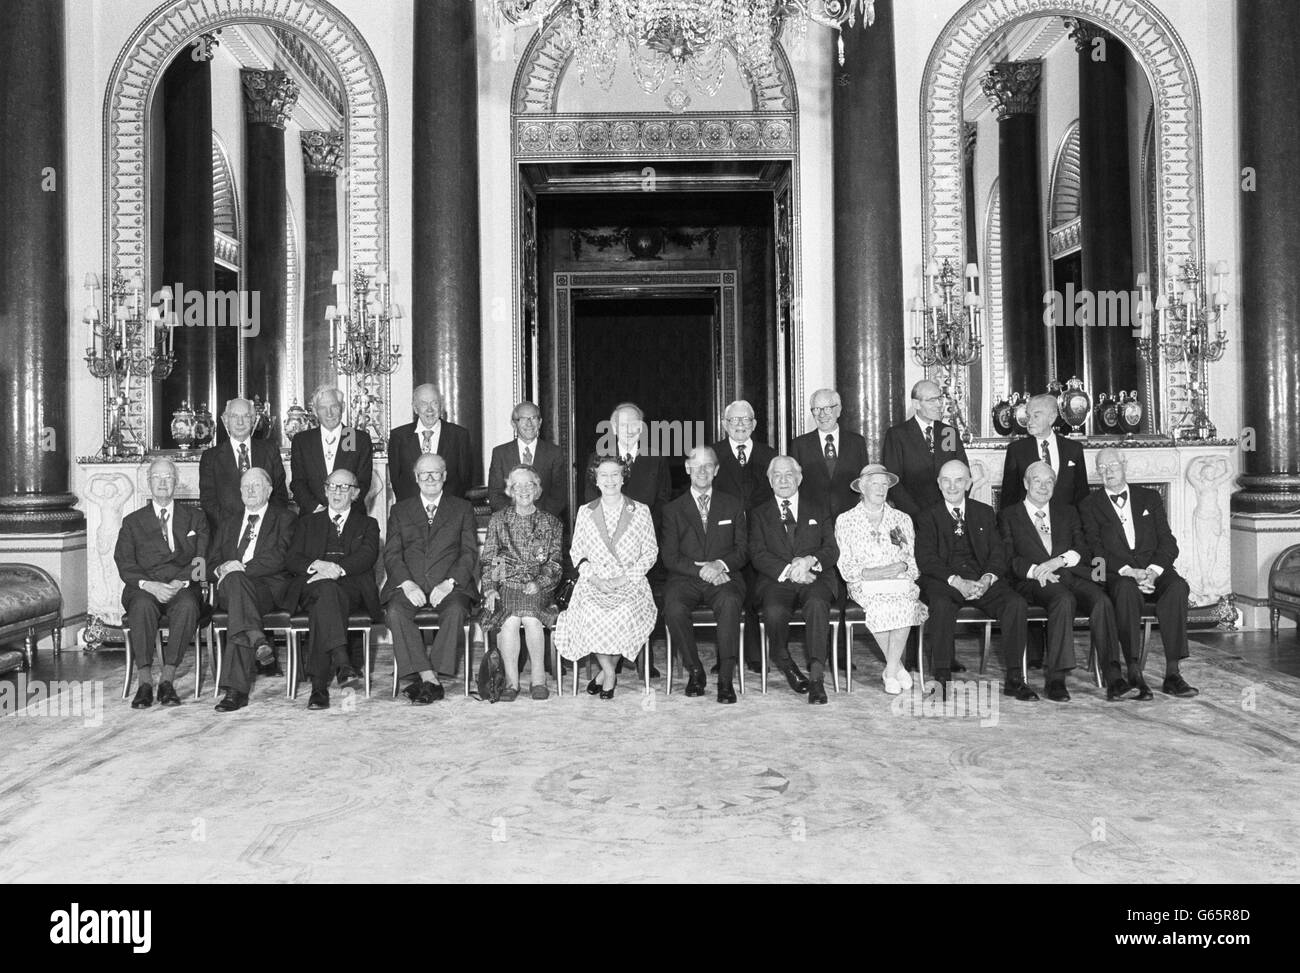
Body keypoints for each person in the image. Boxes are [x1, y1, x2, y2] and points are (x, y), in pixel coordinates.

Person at [998, 461, 1127, 702]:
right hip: (1033, 581)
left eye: (1049, 482)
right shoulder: (1008, 515)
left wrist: (1057, 562)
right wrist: (1038, 570)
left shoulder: (1067, 512)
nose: (1043, 486)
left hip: (1069, 573)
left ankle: (1113, 676)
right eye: (1037, 480)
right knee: (1062, 599)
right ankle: (1056, 679)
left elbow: (1082, 548)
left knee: (1101, 600)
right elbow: (1007, 558)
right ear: (1026, 484)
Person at [1079, 448, 1199, 699]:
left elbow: (1168, 542)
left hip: (1153, 568)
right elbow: (1095, 551)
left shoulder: (1150, 498)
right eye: (1101, 468)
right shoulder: (1089, 505)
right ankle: (1134, 671)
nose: (1107, 471)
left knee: (1178, 587)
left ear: (1125, 465)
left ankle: (1173, 672)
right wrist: (1128, 571)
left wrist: (1153, 573)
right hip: (1117, 572)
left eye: (1112, 465)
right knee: (1124, 589)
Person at [915, 460, 1034, 700]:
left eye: (959, 480)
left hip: (981, 578)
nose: (952, 486)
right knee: (940, 605)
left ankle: (1014, 677)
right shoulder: (927, 515)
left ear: (969, 483)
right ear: (938, 484)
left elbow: (998, 552)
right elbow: (926, 558)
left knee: (1015, 604)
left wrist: (988, 578)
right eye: (946, 480)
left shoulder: (984, 512)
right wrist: (956, 581)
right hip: (945, 580)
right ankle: (941, 677)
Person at [555, 456, 658, 699]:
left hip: (630, 581)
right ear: (596, 480)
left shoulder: (640, 511)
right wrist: (595, 579)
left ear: (623, 478)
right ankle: (610, 672)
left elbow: (650, 552)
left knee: (624, 612)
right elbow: (577, 552)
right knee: (591, 611)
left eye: (615, 474)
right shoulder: (586, 511)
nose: (610, 480)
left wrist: (624, 579)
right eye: (604, 475)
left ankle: (603, 675)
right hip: (595, 580)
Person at [382, 453, 480, 705]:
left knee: (457, 610)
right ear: (416, 478)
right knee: (394, 612)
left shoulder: (462, 508)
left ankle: (428, 676)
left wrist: (448, 583)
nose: (429, 478)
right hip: (408, 583)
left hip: (450, 584)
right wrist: (407, 583)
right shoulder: (400, 510)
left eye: (435, 473)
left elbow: (469, 553)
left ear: (444, 476)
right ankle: (430, 678)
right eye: (424, 473)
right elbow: (392, 554)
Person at [282, 469, 382, 710]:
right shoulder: (307, 522)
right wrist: (316, 565)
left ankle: (319, 687)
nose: (337, 492)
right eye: (332, 487)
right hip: (311, 585)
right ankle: (342, 662)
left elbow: (367, 557)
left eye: (344, 487)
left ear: (355, 494)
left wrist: (336, 569)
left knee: (324, 603)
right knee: (325, 593)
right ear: (325, 490)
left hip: (350, 587)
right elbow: (292, 558)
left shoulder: (367, 524)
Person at [113, 457, 208, 708]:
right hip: (144, 587)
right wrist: (150, 585)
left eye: (168, 478)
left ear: (176, 482)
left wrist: (180, 583)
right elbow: (124, 563)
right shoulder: (132, 522)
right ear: (149, 483)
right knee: (142, 607)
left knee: (188, 606)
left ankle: (167, 680)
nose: (163, 482)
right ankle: (144, 682)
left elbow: (202, 559)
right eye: (157, 477)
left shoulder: (195, 518)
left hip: (182, 586)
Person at [748, 456, 839, 704]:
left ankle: (817, 679)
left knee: (817, 605)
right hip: (776, 579)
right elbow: (757, 554)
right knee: (774, 611)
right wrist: (790, 569)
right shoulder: (759, 514)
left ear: (799, 478)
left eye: (789, 474)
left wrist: (809, 561)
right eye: (777, 475)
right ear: (770, 481)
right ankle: (786, 663)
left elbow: (832, 549)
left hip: (815, 577)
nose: (783, 480)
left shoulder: (819, 508)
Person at [660, 446, 748, 704]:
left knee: (731, 603)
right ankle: (695, 671)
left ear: (716, 470)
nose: (701, 471)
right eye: (696, 465)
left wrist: (719, 565)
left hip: (724, 577)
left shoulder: (733, 504)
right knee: (673, 608)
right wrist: (703, 570)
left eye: (707, 465)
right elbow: (670, 557)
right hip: (685, 577)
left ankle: (725, 679)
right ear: (687, 468)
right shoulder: (672, 509)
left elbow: (743, 550)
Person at [835, 463, 928, 695]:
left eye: (884, 484)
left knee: (905, 603)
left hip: (899, 581)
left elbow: (912, 560)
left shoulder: (902, 519)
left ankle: (891, 669)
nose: (880, 488)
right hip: (864, 583)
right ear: (862, 488)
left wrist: (903, 567)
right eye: (874, 483)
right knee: (881, 605)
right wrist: (874, 574)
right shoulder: (845, 520)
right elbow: (845, 565)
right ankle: (896, 669)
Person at [209, 468, 296, 712]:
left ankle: (235, 691)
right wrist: (222, 568)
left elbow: (281, 558)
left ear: (269, 490)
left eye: (256, 485)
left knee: (240, 604)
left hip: (267, 589)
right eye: (245, 486)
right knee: (236, 586)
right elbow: (210, 562)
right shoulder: (228, 522)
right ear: (239, 491)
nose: (249, 490)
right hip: (229, 587)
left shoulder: (285, 518)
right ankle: (258, 640)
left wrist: (240, 569)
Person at [480, 465, 564, 701]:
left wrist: (539, 582)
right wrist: (490, 589)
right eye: (518, 485)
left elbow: (556, 563)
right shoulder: (498, 520)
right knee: (509, 623)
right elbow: (490, 559)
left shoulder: (551, 523)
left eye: (530, 484)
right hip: (507, 584)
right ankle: (511, 683)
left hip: (538, 587)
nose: (524, 490)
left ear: (537, 489)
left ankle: (538, 680)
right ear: (510, 490)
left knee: (531, 620)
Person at [709, 399, 775, 674]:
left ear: (754, 424)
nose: (740, 425)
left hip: (761, 536)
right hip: (726, 537)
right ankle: (726, 655)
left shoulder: (769, 454)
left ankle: (755, 654)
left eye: (745, 420)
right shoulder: (712, 454)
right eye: (734, 421)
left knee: (754, 596)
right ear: (725, 425)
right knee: (727, 594)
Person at [879, 380, 968, 521]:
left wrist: (953, 507)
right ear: (916, 404)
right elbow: (893, 481)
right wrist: (917, 515)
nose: (939, 405)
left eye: (940, 398)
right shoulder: (898, 435)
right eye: (932, 400)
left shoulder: (948, 433)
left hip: (947, 515)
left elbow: (964, 473)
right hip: (912, 516)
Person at [199, 396, 289, 534]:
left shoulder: (270, 451)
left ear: (253, 420)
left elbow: (280, 495)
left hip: (266, 533)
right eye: (234, 416)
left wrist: (266, 525)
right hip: (225, 534)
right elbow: (208, 502)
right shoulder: (210, 457)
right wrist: (232, 529)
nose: (240, 422)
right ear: (226, 420)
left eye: (246, 416)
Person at [289, 384, 374, 515]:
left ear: (343, 407)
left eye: (334, 406)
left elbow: (362, 483)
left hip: (350, 517)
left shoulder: (356, 438)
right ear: (315, 411)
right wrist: (318, 509)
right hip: (313, 518)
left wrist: (340, 511)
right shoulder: (302, 441)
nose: (329, 413)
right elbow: (298, 483)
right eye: (323, 408)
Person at [582, 401, 672, 522]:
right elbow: (591, 498)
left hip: (645, 530)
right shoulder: (597, 458)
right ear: (614, 428)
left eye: (634, 424)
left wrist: (645, 525)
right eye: (623, 425)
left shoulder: (657, 458)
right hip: (609, 530)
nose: (629, 431)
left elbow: (663, 500)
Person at [789, 388, 869, 518]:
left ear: (838, 410)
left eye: (827, 409)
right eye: (816, 409)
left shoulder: (856, 442)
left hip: (850, 518)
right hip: (813, 520)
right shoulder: (799, 445)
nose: (822, 415)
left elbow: (864, 482)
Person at [999, 393, 1088, 510]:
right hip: (1027, 525)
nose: (1029, 422)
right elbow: (1008, 498)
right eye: (1028, 416)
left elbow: (1082, 495)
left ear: (1051, 418)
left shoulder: (1073, 449)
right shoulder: (1016, 450)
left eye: (1036, 416)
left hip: (1067, 525)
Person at [388, 384, 475, 502]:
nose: (430, 409)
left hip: (449, 511)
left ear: (441, 406)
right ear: (415, 408)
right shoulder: (398, 436)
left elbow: (465, 478)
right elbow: (396, 481)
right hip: (410, 512)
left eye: (434, 403)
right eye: (423, 403)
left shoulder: (459, 435)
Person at [487, 401, 567, 521]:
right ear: (514, 424)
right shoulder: (500, 453)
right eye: (523, 419)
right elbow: (495, 495)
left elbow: (559, 495)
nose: (529, 423)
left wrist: (538, 519)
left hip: (546, 525)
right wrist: (515, 519)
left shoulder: (554, 453)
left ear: (539, 423)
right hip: (509, 525)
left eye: (533, 418)